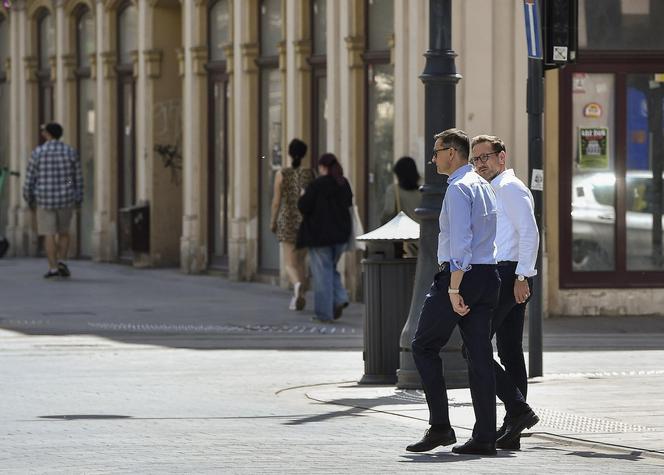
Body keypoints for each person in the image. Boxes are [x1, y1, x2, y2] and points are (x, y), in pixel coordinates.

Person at [406, 128, 500, 456]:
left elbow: (461, 242)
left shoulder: (459, 189)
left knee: (423, 346)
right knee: (480, 357)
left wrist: (454, 287)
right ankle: (485, 436)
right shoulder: (483, 186)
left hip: (463, 276)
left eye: (436, 152)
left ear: (452, 152)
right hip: (489, 275)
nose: (433, 158)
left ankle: (441, 427)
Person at [471, 135, 540, 450]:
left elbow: (529, 232)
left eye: (486, 156)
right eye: (476, 159)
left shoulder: (510, 188)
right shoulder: (491, 189)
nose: (481, 163)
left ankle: (518, 410)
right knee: (510, 349)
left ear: (502, 157)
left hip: (509, 273)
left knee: (475, 346)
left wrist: (522, 275)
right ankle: (514, 427)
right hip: (506, 272)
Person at [297, 153, 352, 323]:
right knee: (330, 270)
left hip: (319, 236)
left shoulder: (316, 185)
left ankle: (324, 314)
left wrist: (303, 194)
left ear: (322, 167)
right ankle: (340, 297)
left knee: (322, 274)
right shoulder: (343, 183)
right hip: (341, 235)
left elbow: (303, 206)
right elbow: (349, 204)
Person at [23, 122, 83, 278]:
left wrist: (28, 197)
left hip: (44, 198)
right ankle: (62, 261)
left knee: (48, 233)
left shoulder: (38, 153)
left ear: (47, 134)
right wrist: (72, 193)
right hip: (65, 199)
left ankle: (53, 268)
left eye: (43, 131)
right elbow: (73, 177)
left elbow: (31, 178)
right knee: (64, 232)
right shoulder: (70, 152)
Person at [270, 138, 315, 310]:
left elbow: (276, 201)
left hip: (287, 220)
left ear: (289, 153)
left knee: (289, 264)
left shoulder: (281, 174)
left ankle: (296, 285)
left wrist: (272, 222)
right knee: (301, 262)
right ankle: (300, 297)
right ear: (304, 154)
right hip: (305, 221)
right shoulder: (310, 173)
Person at [381, 156, 421, 257]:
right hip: (422, 242)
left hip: (403, 243)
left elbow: (388, 213)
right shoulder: (423, 192)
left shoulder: (393, 190)